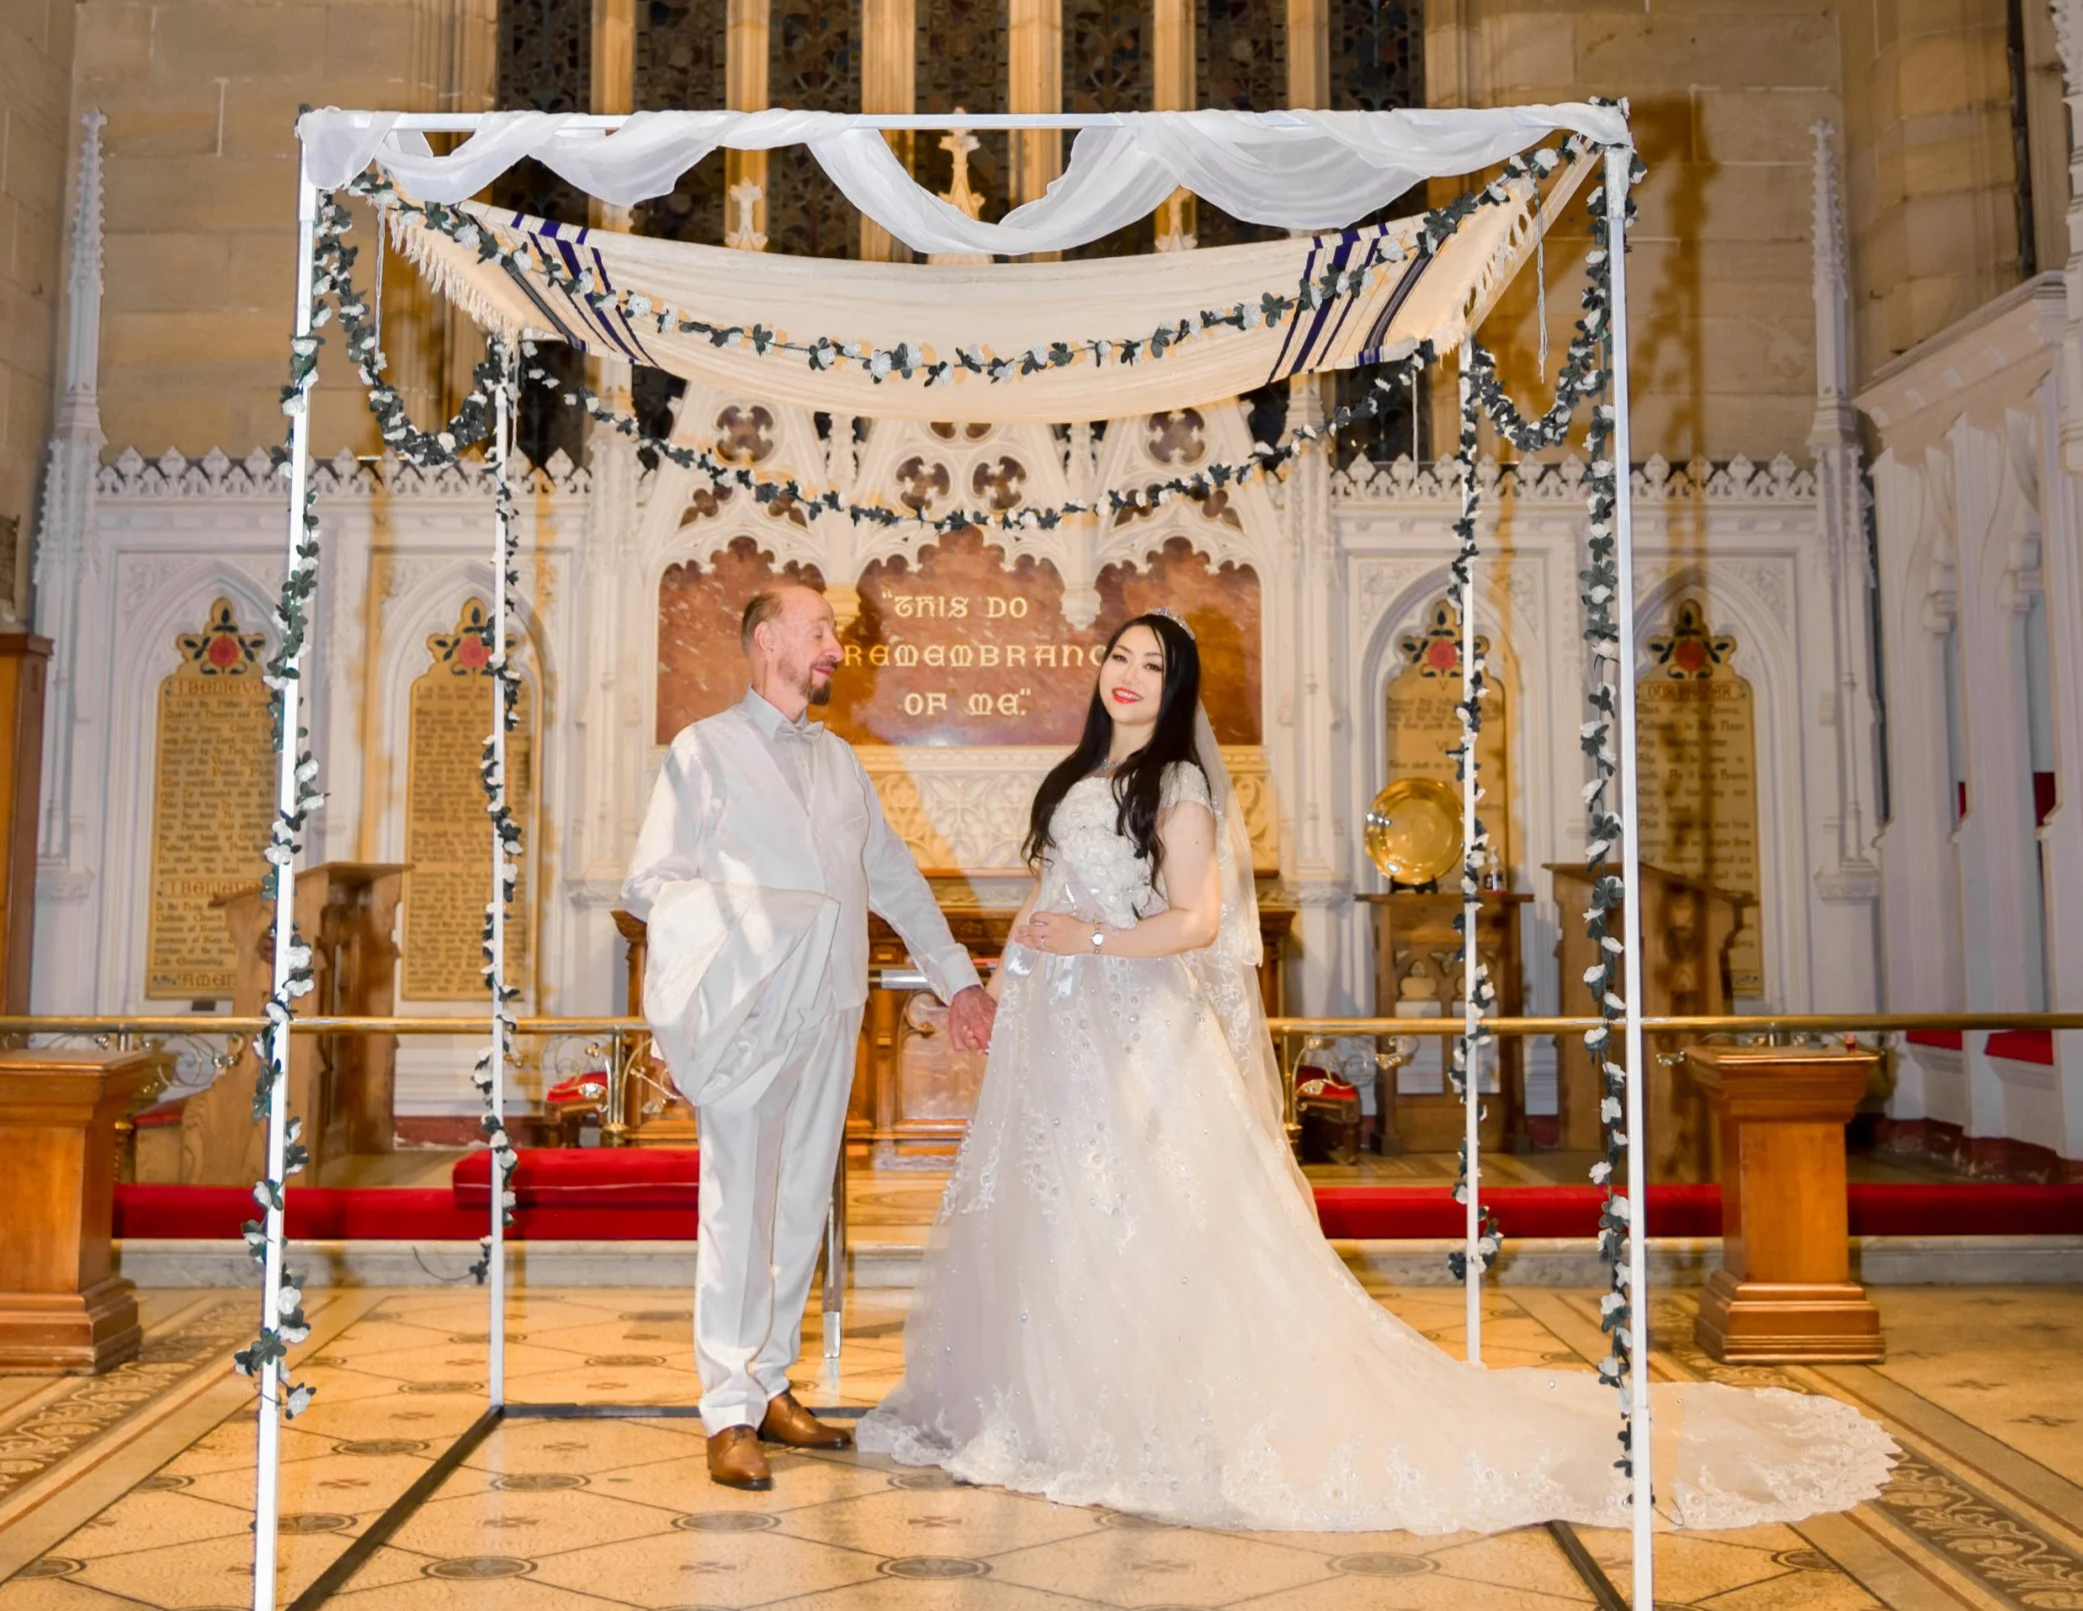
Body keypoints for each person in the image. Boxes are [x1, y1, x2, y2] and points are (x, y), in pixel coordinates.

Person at [858, 611, 1895, 1535]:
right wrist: (1027, 967)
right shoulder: (1077, 778)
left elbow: (1197, 921)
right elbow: (1065, 894)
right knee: (1072, 1221)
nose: (1128, 674)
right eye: (1119, 656)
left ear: (1177, 692)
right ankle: (1056, 1408)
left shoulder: (1175, 785)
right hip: (1062, 1042)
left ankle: (1161, 1417)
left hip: (1140, 1033)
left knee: (1158, 1223)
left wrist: (1082, 940)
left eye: (1152, 664)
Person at [622, 581, 995, 1491]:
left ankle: (772, 1387)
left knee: (797, 1210)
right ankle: (725, 1411)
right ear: (765, 641)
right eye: (820, 631)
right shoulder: (701, 750)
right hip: (748, 1012)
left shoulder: (839, 765)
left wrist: (958, 982)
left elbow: (897, 884)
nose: (835, 647)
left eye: (834, 633)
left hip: (828, 1009)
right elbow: (651, 884)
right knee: (736, 1211)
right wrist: (756, 923)